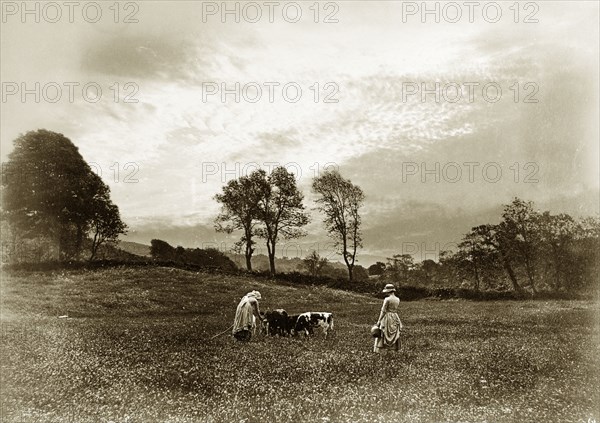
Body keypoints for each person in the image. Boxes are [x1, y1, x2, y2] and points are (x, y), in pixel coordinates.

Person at [373, 284, 403, 353]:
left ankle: (383, 350)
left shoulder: (387, 299)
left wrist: (379, 320)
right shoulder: (397, 299)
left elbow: (383, 311)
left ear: (388, 291)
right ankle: (393, 349)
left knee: (384, 332)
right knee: (394, 332)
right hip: (395, 316)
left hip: (387, 316)